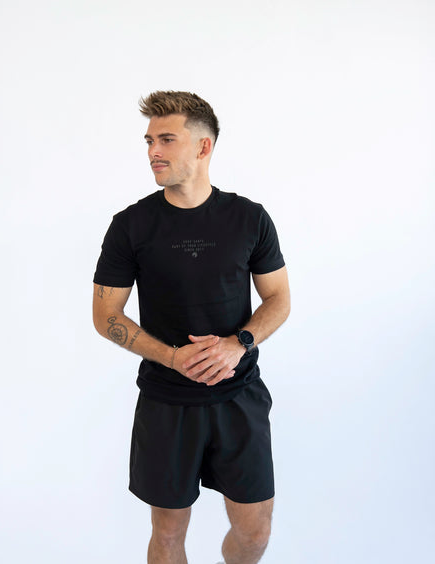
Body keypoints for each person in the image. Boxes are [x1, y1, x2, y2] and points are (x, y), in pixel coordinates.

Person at [92, 90, 290, 564]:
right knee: (167, 536)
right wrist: (173, 357)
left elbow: (279, 298)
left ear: (203, 146)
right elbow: (106, 315)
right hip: (167, 401)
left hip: (238, 396)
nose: (152, 152)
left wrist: (239, 343)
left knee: (255, 533)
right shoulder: (130, 225)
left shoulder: (249, 218)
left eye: (166, 139)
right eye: (149, 141)